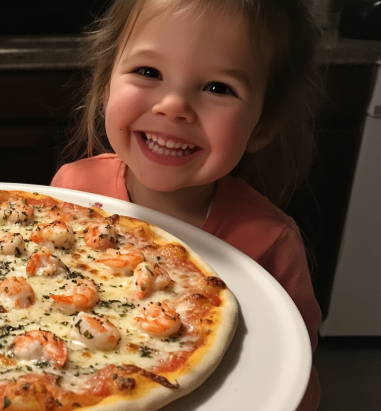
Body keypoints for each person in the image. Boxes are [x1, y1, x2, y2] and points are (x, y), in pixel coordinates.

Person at [51, 0, 323, 409]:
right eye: (149, 72)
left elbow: (293, 374)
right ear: (105, 83)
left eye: (218, 88)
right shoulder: (71, 188)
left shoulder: (269, 242)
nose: (173, 106)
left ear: (263, 125)